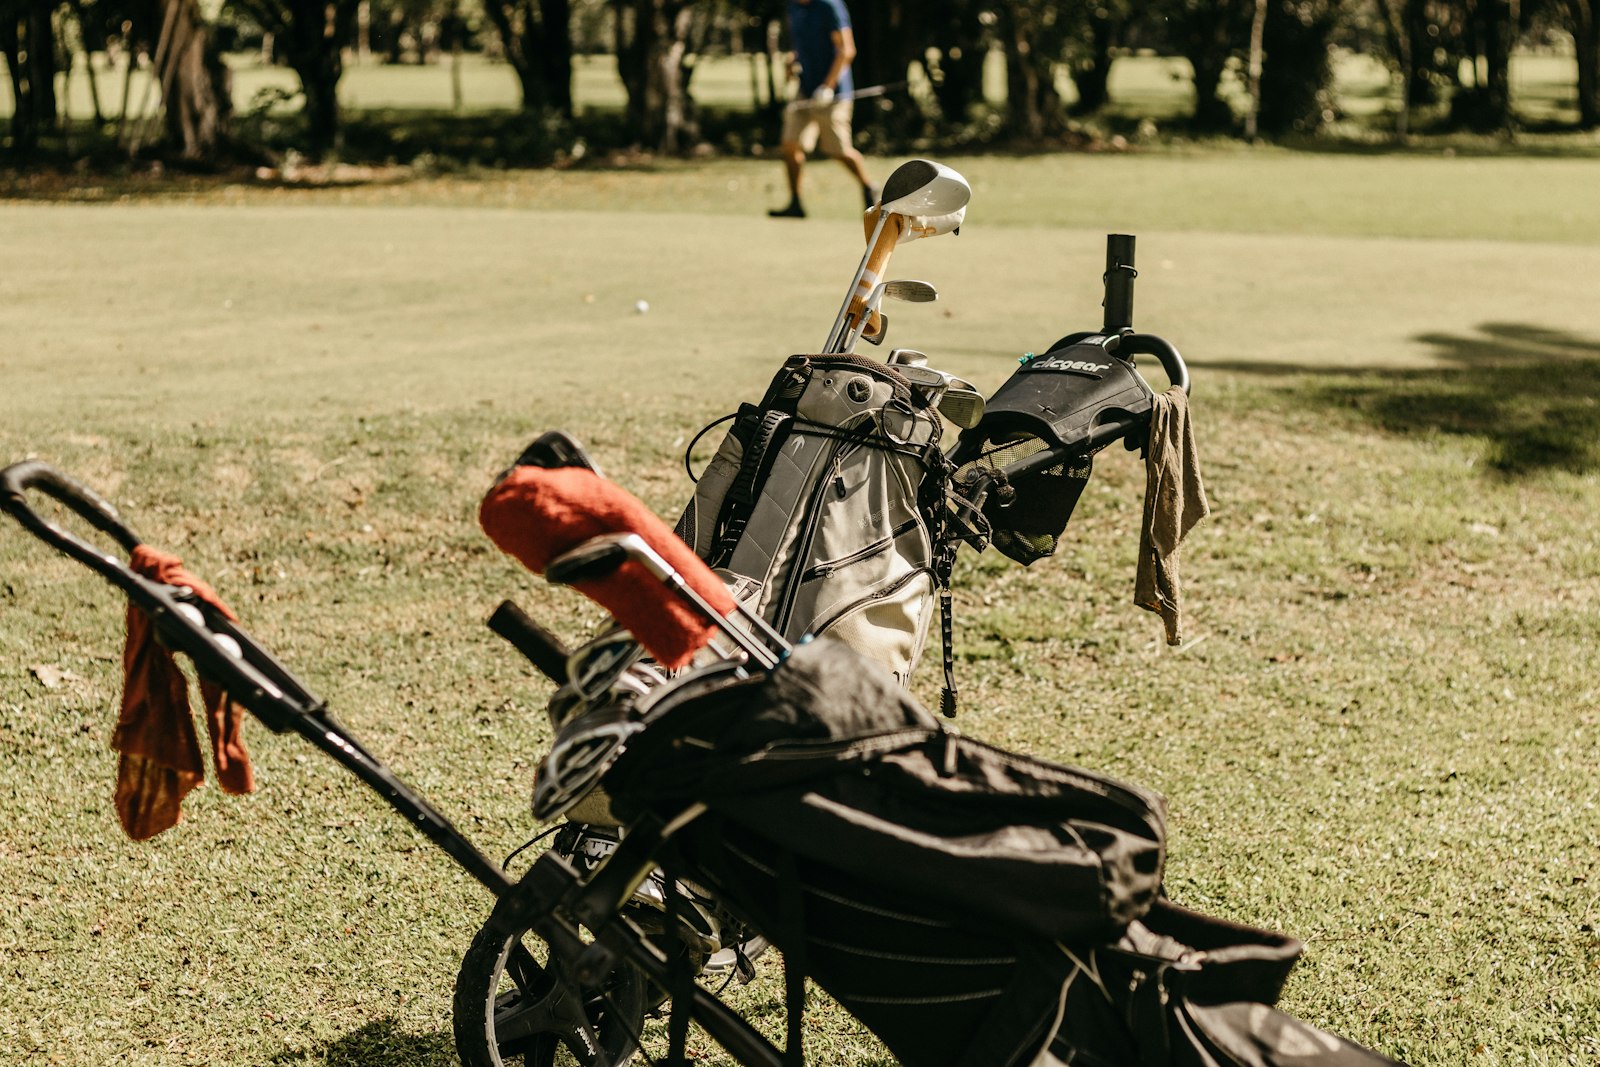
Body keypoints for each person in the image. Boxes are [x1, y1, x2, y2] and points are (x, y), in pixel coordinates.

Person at [768, 0, 879, 219]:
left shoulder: (830, 6)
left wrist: (827, 86)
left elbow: (846, 50)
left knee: (837, 149)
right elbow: (801, 43)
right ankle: (796, 204)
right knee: (790, 143)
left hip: (834, 93)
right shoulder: (793, 7)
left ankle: (869, 186)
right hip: (805, 90)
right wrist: (793, 60)